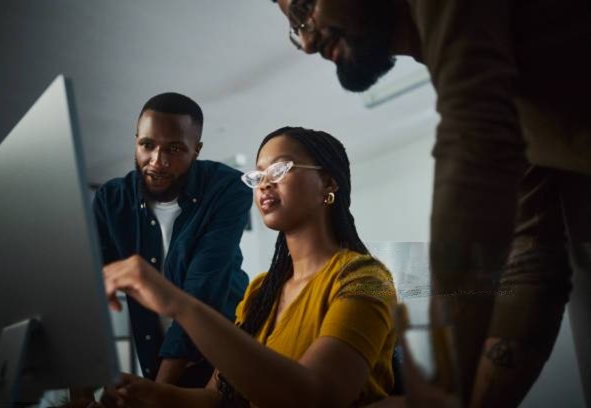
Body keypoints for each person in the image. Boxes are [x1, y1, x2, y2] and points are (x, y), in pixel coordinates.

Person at [268, 0, 591, 406]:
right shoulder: (494, 81)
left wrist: (440, 374)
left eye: (303, 9)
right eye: (296, 29)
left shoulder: (473, 90)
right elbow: (531, 259)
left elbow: (475, 140)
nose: (308, 42)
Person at [99, 126, 398, 407]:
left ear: (328, 183)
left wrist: (179, 304)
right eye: (258, 175)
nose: (264, 183)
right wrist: (150, 394)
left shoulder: (369, 280)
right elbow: (218, 399)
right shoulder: (260, 291)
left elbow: (317, 396)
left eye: (279, 169)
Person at [92, 92, 252, 387]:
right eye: (147, 145)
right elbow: (91, 293)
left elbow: (201, 293)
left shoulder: (228, 189)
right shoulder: (112, 199)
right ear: (136, 140)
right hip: (155, 357)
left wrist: (159, 393)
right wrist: (83, 392)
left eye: (175, 148)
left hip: (226, 355)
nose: (157, 161)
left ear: (196, 150)